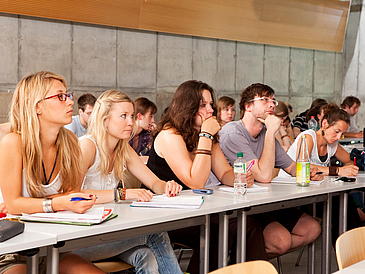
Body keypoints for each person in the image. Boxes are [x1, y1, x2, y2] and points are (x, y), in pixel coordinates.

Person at [147, 80, 267, 273]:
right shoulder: (170, 135)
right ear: (187, 107)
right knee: (217, 233)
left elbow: (224, 172)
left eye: (211, 104)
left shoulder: (203, 134)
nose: (210, 110)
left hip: (194, 209)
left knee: (249, 226)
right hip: (166, 213)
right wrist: (206, 135)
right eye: (203, 105)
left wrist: (239, 177)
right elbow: (195, 181)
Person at [0, 71, 104, 274]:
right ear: (37, 106)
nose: (70, 102)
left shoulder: (71, 142)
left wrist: (31, 204)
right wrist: (58, 202)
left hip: (52, 245)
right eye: (60, 96)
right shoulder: (13, 143)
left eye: (68, 95)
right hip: (11, 248)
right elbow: (13, 204)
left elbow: (71, 197)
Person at [75, 89, 183, 274]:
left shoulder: (122, 148)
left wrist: (168, 186)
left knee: (146, 256)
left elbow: (154, 183)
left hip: (106, 231)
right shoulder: (88, 145)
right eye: (123, 116)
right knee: (155, 232)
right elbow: (73, 194)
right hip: (79, 238)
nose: (131, 122)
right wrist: (121, 194)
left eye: (132, 116)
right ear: (105, 119)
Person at [217, 83, 322, 259]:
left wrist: (309, 171)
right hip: (239, 208)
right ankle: (239, 261)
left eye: (273, 100)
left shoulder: (265, 133)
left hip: (262, 203)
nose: (272, 104)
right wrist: (273, 131)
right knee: (281, 240)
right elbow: (264, 176)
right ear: (248, 106)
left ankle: (250, 258)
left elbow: (291, 167)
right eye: (265, 100)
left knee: (311, 228)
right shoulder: (232, 132)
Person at [278, 104, 362, 245]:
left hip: (313, 193)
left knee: (344, 204)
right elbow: (302, 166)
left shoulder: (333, 144)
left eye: (342, 133)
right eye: (336, 131)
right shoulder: (308, 137)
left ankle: (351, 251)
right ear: (324, 124)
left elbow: (349, 161)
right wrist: (337, 170)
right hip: (290, 194)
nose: (339, 137)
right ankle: (349, 251)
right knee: (342, 207)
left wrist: (348, 168)